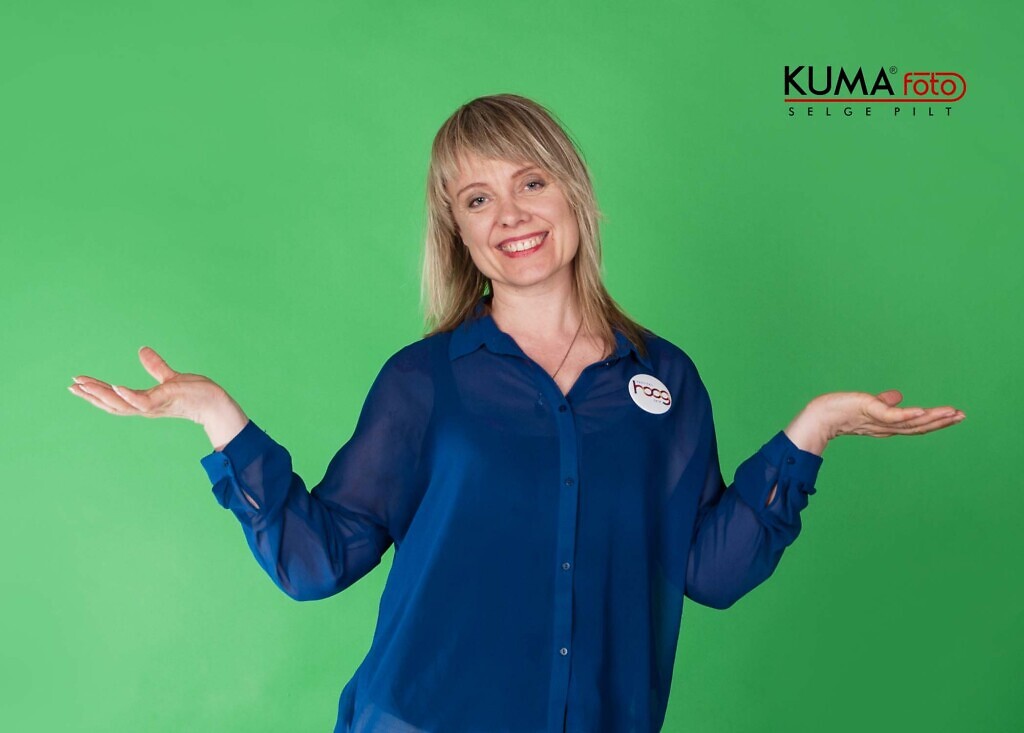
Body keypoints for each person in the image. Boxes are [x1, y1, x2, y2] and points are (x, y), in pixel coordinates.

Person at [68, 93, 965, 733]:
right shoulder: (426, 382)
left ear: (575, 193)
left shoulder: (665, 381)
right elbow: (317, 559)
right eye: (477, 199)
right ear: (458, 232)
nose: (510, 214)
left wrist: (810, 432)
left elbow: (710, 569)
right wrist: (217, 416)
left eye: (531, 183)